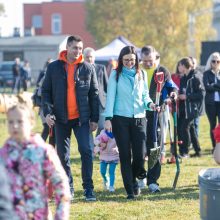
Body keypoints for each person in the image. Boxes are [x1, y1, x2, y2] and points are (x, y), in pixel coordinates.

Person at [41, 35, 99, 201]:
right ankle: (68, 187)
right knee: (62, 155)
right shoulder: (53, 68)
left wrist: (94, 118)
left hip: (82, 119)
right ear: (67, 48)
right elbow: (45, 92)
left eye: (80, 49)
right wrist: (48, 113)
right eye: (75, 48)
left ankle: (88, 189)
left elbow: (94, 94)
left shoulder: (88, 68)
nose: (78, 52)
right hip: (60, 119)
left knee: (86, 151)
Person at [0, 102, 70, 220]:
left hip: (37, 215)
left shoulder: (43, 151)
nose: (15, 126)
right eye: (11, 122)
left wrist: (60, 215)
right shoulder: (4, 154)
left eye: (20, 121)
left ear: (31, 122)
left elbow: (61, 185)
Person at [104, 45, 156, 199]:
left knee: (140, 155)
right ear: (121, 60)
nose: (129, 63)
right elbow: (111, 97)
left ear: (136, 60)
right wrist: (108, 118)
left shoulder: (142, 74)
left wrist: (150, 104)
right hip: (120, 119)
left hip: (139, 118)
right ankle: (130, 189)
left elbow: (145, 95)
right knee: (125, 155)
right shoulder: (115, 75)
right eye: (126, 60)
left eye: (132, 60)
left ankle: (134, 179)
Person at [140, 45, 177, 192]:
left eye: (151, 60)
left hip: (158, 113)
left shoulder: (162, 71)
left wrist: (173, 94)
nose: (148, 63)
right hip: (140, 114)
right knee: (139, 148)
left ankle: (153, 181)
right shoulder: (137, 71)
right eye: (145, 61)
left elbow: (172, 86)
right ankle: (140, 177)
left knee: (155, 147)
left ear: (155, 57)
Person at [178, 57, 205, 157]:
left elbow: (202, 94)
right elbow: (183, 91)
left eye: (180, 65)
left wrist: (187, 97)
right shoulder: (183, 77)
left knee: (184, 128)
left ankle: (185, 152)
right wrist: (178, 96)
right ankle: (198, 151)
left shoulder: (196, 76)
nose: (178, 67)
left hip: (194, 108)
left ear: (184, 66)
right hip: (186, 108)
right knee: (192, 128)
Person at [83, 47, 108, 151]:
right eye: (87, 57)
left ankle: (98, 146)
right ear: (83, 57)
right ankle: (91, 148)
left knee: (102, 126)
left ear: (94, 57)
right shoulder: (81, 69)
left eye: (91, 57)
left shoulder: (101, 68)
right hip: (87, 103)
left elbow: (107, 86)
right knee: (88, 128)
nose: (89, 59)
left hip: (101, 102)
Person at [34, 58, 55, 147]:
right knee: (47, 127)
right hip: (44, 108)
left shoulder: (55, 76)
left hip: (53, 107)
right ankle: (40, 146)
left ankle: (51, 148)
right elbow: (39, 92)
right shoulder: (44, 76)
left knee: (52, 129)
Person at [203, 52, 220, 152]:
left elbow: (211, 86)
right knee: (213, 125)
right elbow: (207, 87)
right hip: (210, 104)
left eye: (218, 61)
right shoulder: (206, 73)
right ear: (210, 62)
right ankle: (214, 147)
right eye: (213, 61)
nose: (216, 63)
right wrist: (217, 86)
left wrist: (213, 85)